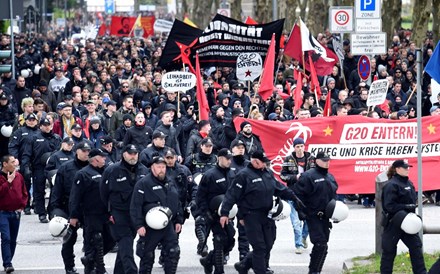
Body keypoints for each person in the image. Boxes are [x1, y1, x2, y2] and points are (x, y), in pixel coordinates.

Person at [220, 151, 304, 274]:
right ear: (255, 161)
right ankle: (261, 270)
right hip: (251, 215)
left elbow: (279, 188)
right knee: (259, 247)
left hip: (267, 214)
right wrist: (224, 213)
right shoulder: (243, 175)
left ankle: (244, 265)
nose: (265, 165)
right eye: (262, 162)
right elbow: (231, 195)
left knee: (268, 243)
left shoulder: (267, 173)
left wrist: (294, 198)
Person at [130, 155, 183, 274]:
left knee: (173, 252)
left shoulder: (170, 182)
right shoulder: (143, 183)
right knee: (147, 255)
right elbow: (136, 206)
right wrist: (138, 225)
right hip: (150, 226)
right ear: (152, 168)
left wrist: (179, 219)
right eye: (158, 167)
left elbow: (176, 201)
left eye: (163, 167)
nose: (161, 169)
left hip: (168, 224)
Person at [101, 144, 148, 274]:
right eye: (130, 153)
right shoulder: (112, 170)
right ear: (124, 154)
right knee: (126, 243)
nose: (133, 156)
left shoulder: (143, 170)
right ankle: (131, 271)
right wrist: (107, 213)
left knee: (124, 246)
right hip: (118, 213)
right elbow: (103, 194)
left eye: (135, 153)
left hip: (135, 215)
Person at [69, 148, 116, 274]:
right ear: (95, 159)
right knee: (95, 240)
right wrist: (74, 215)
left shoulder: (106, 171)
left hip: (106, 212)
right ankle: (97, 268)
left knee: (111, 239)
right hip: (91, 213)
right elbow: (75, 196)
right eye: (102, 157)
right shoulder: (83, 174)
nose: (105, 159)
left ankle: (90, 258)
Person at [49, 141, 91, 274]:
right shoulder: (66, 168)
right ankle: (69, 267)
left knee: (92, 239)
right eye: (83, 151)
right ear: (77, 152)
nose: (86, 153)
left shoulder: (93, 167)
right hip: (69, 207)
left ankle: (91, 265)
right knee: (68, 240)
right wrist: (54, 210)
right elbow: (57, 190)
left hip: (89, 207)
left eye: (88, 151)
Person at [293, 152, 338, 274]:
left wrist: (337, 212)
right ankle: (313, 271)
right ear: (316, 161)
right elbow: (297, 195)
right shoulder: (308, 176)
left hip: (325, 218)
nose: (327, 162)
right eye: (324, 160)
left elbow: (334, 197)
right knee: (320, 244)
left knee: (323, 246)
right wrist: (300, 211)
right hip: (313, 215)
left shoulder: (331, 177)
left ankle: (316, 269)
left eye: (328, 160)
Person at [380, 160, 427, 274]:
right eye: (404, 167)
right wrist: (406, 206)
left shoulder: (409, 183)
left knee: (416, 247)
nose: (407, 169)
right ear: (397, 169)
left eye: (408, 167)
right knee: (389, 251)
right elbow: (388, 206)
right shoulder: (391, 185)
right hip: (394, 222)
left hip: (408, 223)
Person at [197, 148, 236, 274]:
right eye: (227, 158)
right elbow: (200, 197)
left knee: (230, 240)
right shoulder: (210, 175)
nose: (229, 161)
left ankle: (208, 260)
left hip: (229, 214)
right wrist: (206, 213)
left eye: (231, 158)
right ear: (220, 158)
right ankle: (219, 271)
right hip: (213, 215)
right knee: (219, 240)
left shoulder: (232, 174)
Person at [21, 117, 62, 223]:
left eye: (49, 125)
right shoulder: (34, 138)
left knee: (55, 190)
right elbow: (27, 153)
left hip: (53, 168)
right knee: (39, 190)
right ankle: (41, 213)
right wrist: (25, 167)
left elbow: (60, 152)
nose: (47, 127)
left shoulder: (56, 138)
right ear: (41, 126)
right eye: (45, 125)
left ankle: (52, 211)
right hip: (38, 167)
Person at [280, 137, 315, 254]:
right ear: (294, 148)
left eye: (301, 146)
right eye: (297, 146)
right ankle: (298, 244)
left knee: (308, 220)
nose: (300, 149)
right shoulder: (288, 159)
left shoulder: (311, 158)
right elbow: (282, 175)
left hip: (308, 195)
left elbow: (316, 174)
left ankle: (304, 236)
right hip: (293, 194)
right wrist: (295, 177)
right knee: (295, 223)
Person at [0, 155, 28, 274]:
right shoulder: (1, 177)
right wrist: (8, 182)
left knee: (13, 240)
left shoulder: (19, 176)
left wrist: (22, 206)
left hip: (16, 212)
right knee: (6, 237)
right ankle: (7, 264)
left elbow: (24, 192)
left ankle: (8, 261)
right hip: (2, 212)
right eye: (12, 162)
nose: (15, 164)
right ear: (5, 164)